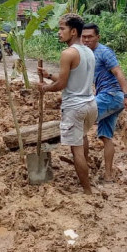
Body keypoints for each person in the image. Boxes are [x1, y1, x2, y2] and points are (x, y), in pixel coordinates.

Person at [38, 13, 97, 195]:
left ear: (73, 31)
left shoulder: (68, 53)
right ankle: (86, 177)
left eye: (62, 28)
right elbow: (69, 79)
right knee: (83, 138)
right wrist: (48, 76)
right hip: (90, 105)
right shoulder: (88, 51)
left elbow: (62, 85)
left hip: (74, 107)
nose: (58, 32)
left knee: (76, 150)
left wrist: (45, 89)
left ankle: (87, 191)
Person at [81, 23, 127, 182]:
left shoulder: (104, 52)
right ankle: (109, 175)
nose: (86, 40)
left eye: (90, 37)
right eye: (84, 37)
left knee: (80, 124)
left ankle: (82, 170)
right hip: (109, 97)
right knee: (105, 137)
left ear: (98, 37)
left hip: (111, 96)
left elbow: (118, 71)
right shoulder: (87, 54)